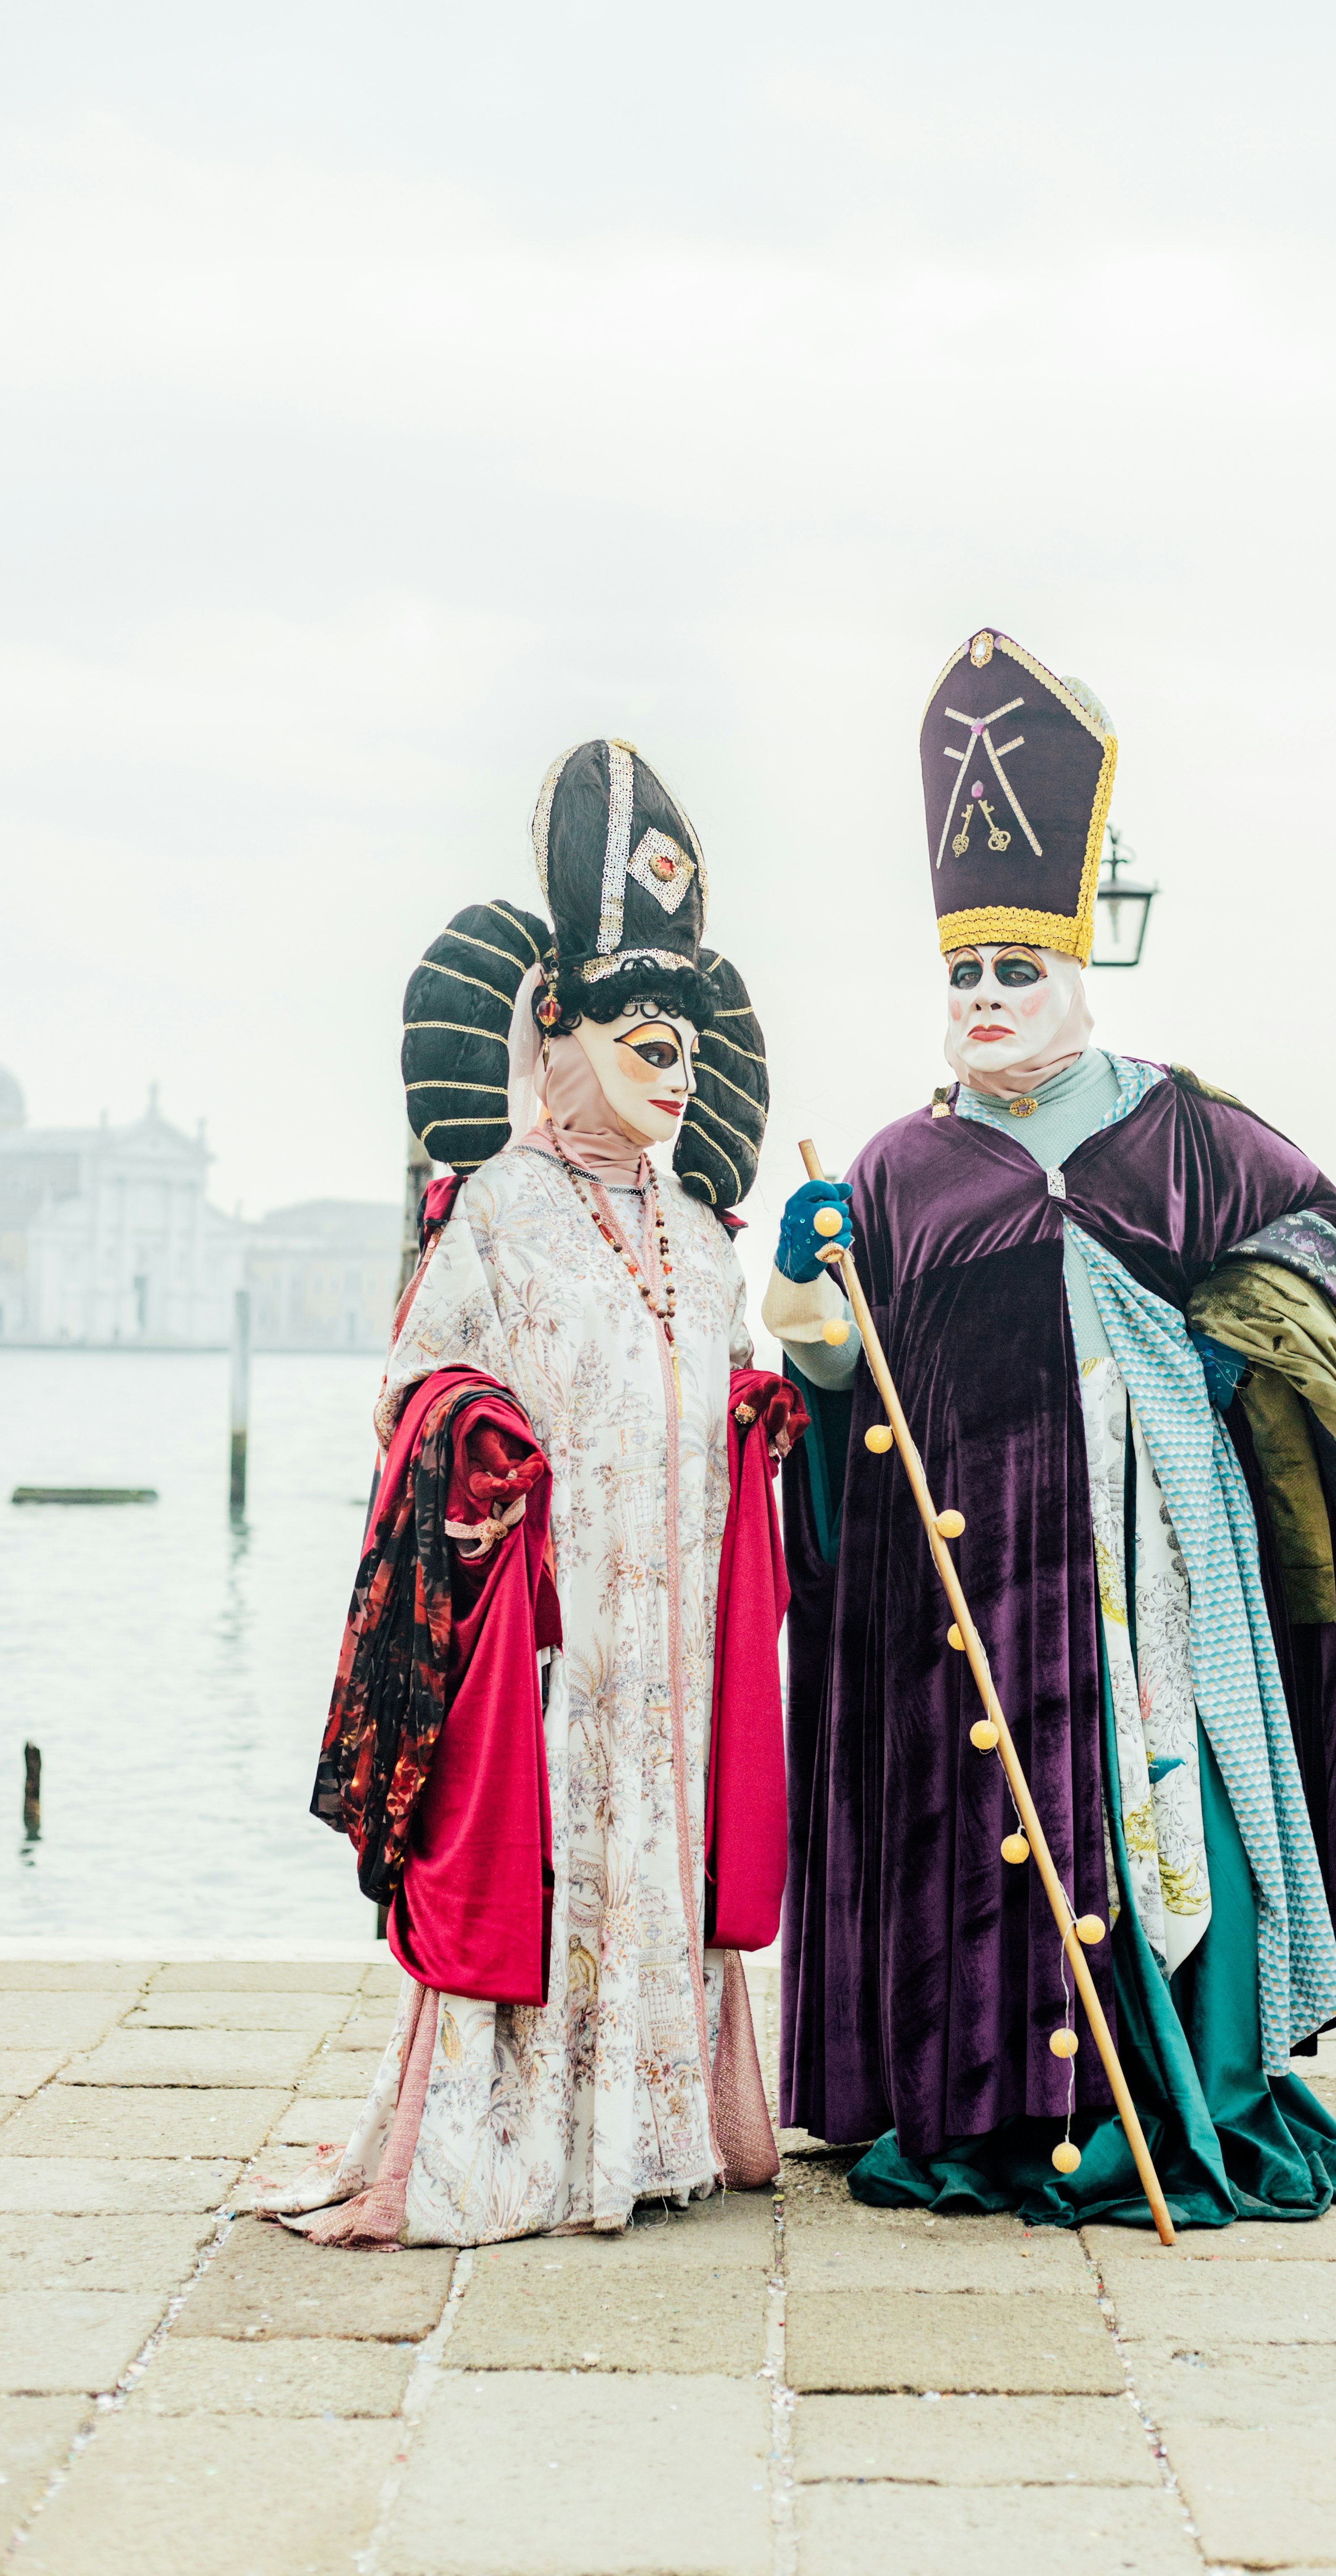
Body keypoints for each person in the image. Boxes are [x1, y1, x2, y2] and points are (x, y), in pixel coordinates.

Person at [765, 624, 1336, 2227]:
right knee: (976, 1828)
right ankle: (986, 2107)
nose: (985, 998)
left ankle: (1181, 2089)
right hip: (962, 1595)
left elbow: (1318, 1277)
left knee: (1157, 1806)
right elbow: (845, 1399)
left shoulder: (1189, 1133)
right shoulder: (895, 1171)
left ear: (1076, 965)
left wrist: (1217, 1373)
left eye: (1015, 970)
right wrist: (810, 1318)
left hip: (1153, 1581)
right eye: (964, 974)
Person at [270, 736, 796, 2246]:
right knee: (551, 1860)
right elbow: (412, 1382)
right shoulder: (494, 1210)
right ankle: (513, 2147)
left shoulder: (705, 1237)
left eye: (681, 1022)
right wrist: (475, 1429)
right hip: (555, 1639)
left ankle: (654, 2132)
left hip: (679, 1635)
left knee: (666, 1851)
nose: (667, 1046)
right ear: (557, 1035)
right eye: (635, 1019)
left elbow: (727, 1383)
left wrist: (765, 1413)